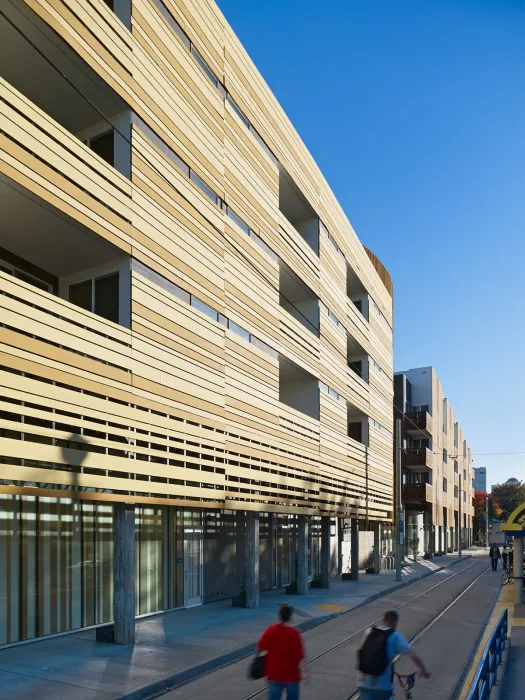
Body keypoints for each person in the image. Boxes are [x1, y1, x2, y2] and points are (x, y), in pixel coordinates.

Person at [357, 610, 430, 699]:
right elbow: (413, 656)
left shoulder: (368, 632)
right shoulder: (395, 636)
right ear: (395, 622)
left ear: (383, 619)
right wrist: (424, 671)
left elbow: (361, 652)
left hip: (363, 683)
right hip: (383, 686)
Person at [257, 604, 308, 700]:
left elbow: (261, 647)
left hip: (273, 674)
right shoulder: (294, 634)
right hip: (291, 675)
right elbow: (300, 656)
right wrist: (305, 673)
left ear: (279, 615)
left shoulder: (270, 630)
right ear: (290, 617)